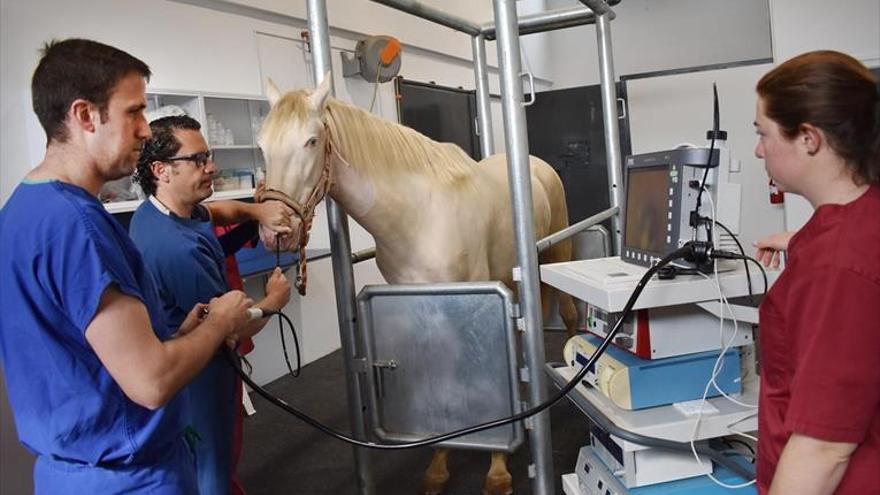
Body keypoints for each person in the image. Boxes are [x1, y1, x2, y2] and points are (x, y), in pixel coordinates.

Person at [0, 38, 256, 493]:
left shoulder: (20, 211)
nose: (144, 130)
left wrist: (177, 336)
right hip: (129, 478)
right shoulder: (78, 225)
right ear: (84, 115)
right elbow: (151, 381)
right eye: (134, 112)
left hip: (66, 473)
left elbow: (79, 352)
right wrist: (219, 323)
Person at [129, 114, 293, 495]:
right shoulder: (176, 250)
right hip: (201, 375)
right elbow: (232, 327)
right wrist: (274, 300)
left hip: (191, 371)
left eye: (209, 155)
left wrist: (257, 212)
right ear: (161, 170)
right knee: (212, 469)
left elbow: (216, 213)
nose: (212, 167)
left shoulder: (160, 212)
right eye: (198, 159)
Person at [752, 50, 880, 495]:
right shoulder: (859, 219)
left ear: (808, 138)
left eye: (763, 133)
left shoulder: (838, 264)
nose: (758, 149)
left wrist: (825, 256)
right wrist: (802, 242)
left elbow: (824, 448)